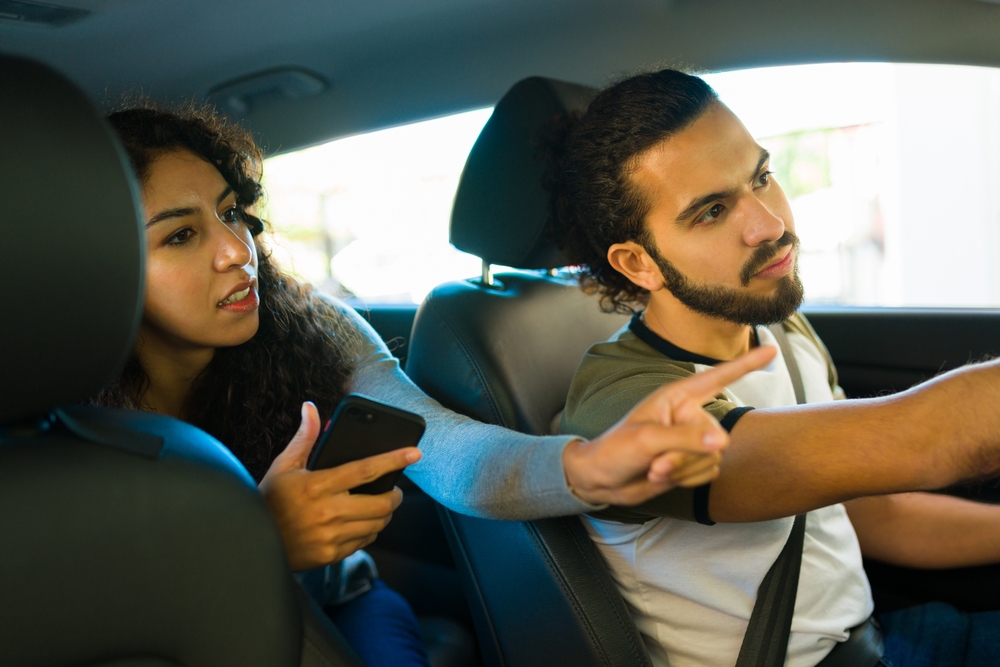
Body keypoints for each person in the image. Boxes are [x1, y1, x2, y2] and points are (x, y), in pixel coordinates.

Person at [91, 102, 774, 666]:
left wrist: (587, 466)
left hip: (343, 600)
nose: (236, 249)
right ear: (96, 264)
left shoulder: (306, 321)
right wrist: (255, 544)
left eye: (232, 211)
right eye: (181, 236)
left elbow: (451, 452)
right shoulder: (49, 421)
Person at [551, 68, 1000, 667]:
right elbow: (927, 440)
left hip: (882, 641)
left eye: (761, 177)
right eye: (711, 211)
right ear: (638, 263)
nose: (771, 224)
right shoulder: (627, 406)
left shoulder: (777, 324)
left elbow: (867, 508)